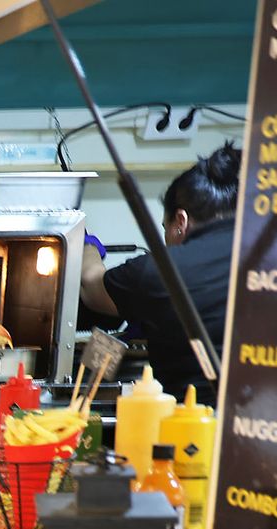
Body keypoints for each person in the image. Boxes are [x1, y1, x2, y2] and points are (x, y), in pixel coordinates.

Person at [81, 142, 240, 403]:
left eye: (166, 228)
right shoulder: (275, 258)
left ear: (180, 221)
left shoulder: (157, 272)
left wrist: (87, 245)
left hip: (188, 419)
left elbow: (90, 284)